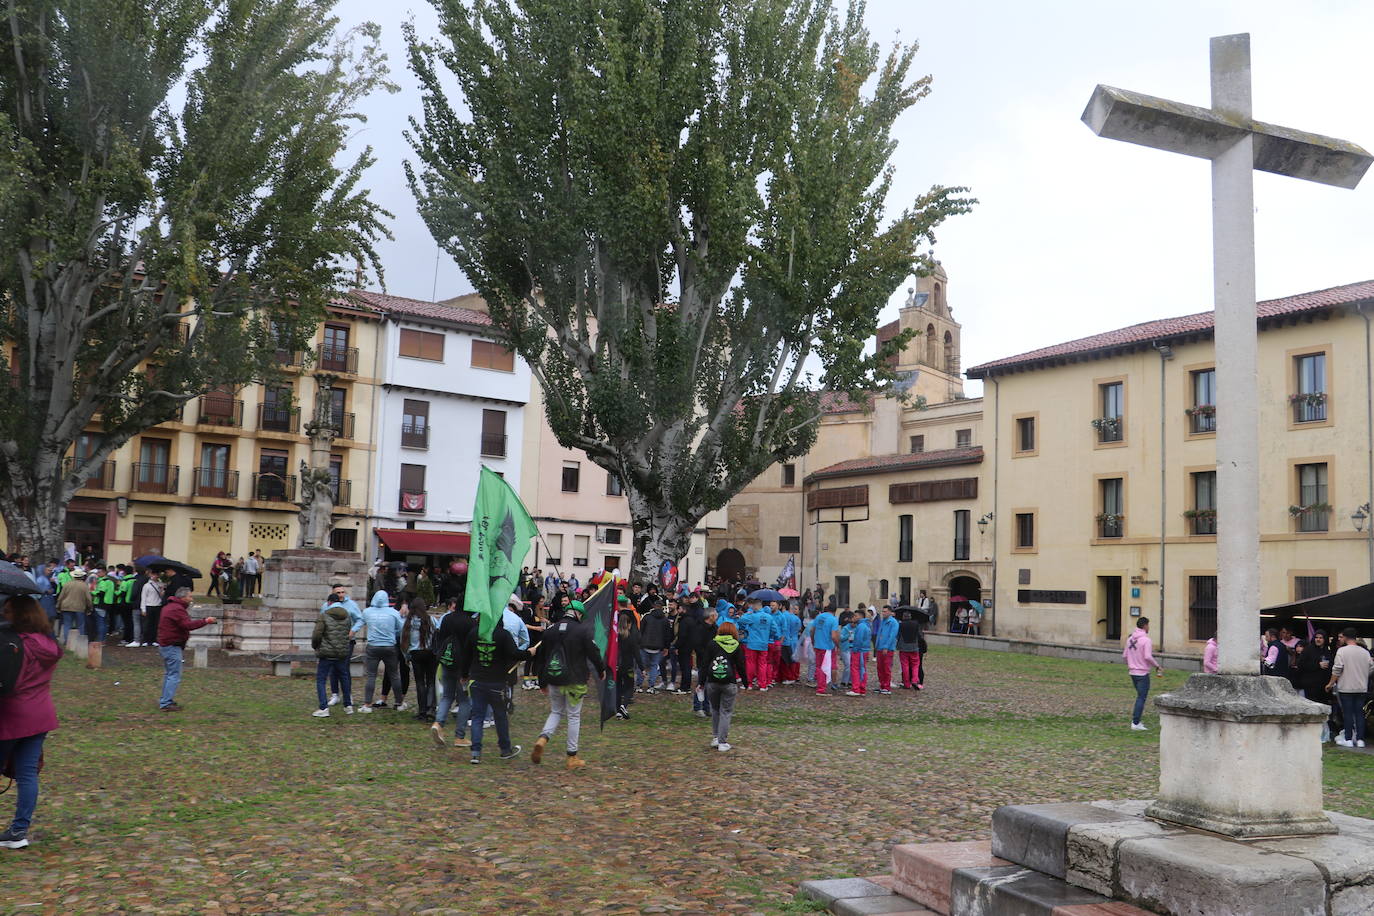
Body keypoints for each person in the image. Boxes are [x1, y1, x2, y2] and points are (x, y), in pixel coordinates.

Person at [0, 596, 61, 848]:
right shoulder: (48, 642)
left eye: (7, 610)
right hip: (40, 713)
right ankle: (18, 831)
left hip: (10, 714)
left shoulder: (12, 644)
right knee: (27, 775)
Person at [531, 599, 606, 769]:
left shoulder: (550, 631)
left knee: (556, 711)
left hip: (553, 678)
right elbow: (594, 653)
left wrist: (541, 681)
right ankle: (572, 756)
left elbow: (541, 658)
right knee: (573, 716)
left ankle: (542, 739)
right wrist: (601, 670)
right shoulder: (581, 631)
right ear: (578, 614)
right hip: (575, 680)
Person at [460, 619, 526, 764]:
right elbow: (515, 654)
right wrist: (529, 653)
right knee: (500, 716)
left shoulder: (474, 632)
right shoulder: (503, 634)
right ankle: (505, 749)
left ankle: (475, 753)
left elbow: (466, 656)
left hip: (477, 681)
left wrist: (464, 674)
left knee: (477, 717)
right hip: (497, 682)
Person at [155, 587, 216, 711]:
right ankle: (166, 703)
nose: (191, 599)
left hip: (166, 644)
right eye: (190, 596)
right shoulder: (177, 609)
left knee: (169, 674)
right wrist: (205, 621)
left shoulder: (169, 607)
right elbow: (187, 625)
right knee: (174, 675)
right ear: (183, 598)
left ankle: (165, 699)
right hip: (172, 645)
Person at [431, 600, 475, 748]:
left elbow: (441, 639)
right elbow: (470, 649)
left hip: (446, 662)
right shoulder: (471, 623)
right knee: (464, 701)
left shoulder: (447, 618)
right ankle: (459, 736)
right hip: (462, 666)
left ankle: (438, 723)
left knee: (447, 696)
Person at [702, 620, 748, 751]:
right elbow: (741, 666)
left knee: (715, 710)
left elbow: (704, 665)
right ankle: (722, 742)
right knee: (726, 711)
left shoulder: (712, 644)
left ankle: (716, 737)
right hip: (729, 682)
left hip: (712, 682)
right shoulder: (736, 645)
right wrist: (746, 683)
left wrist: (701, 682)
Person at [358, 590, 406, 713]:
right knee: (394, 675)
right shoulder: (394, 613)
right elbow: (402, 629)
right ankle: (399, 702)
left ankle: (367, 704)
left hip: (373, 646)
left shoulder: (367, 612)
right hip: (390, 647)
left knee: (371, 676)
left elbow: (359, 623)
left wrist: (351, 633)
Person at [1327, 628, 1372, 748]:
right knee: (1359, 714)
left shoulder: (1342, 651)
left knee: (1347, 713)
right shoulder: (1365, 652)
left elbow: (1337, 669)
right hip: (1361, 687)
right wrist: (1362, 676)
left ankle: (1348, 738)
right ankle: (1360, 739)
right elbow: (1371, 667)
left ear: (1346, 637)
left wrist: (1331, 683)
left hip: (1346, 687)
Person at [311, 596, 354, 716]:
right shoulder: (347, 616)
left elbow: (317, 634)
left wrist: (316, 647)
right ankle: (348, 705)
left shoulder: (324, 616)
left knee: (321, 679)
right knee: (344, 677)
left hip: (326, 652)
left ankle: (324, 707)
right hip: (342, 653)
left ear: (329, 602)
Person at [323, 583, 362, 707]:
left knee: (344, 668)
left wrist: (353, 630)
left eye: (342, 592)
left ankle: (347, 694)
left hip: (347, 640)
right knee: (333, 668)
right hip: (331, 641)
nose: (341, 595)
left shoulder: (352, 605)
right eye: (338, 592)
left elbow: (360, 619)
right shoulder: (326, 606)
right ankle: (335, 694)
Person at [1123, 616, 1163, 730]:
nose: (1149, 627)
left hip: (1132, 672)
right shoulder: (1146, 640)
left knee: (1140, 696)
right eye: (1148, 625)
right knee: (1141, 697)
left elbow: (1125, 656)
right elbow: (1147, 656)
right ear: (1145, 626)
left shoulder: (1130, 639)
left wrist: (1131, 664)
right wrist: (1157, 665)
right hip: (1142, 673)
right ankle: (1136, 722)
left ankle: (1136, 721)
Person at [403, 598, 438, 721]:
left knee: (419, 683)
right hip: (430, 653)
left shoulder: (409, 623)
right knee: (431, 681)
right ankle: (431, 708)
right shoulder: (431, 620)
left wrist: (407, 657)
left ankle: (422, 710)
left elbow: (405, 642)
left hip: (415, 653)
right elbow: (438, 634)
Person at [614, 605, 641, 719]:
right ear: (629, 625)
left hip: (616, 666)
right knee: (629, 686)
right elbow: (636, 653)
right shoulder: (631, 637)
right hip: (627, 666)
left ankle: (618, 710)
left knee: (618, 688)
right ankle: (623, 706)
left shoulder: (615, 637)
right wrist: (642, 668)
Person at [638, 598, 669, 692]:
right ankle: (651, 686)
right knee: (654, 666)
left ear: (654, 607)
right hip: (658, 646)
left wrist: (639, 643)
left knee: (641, 666)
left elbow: (641, 631)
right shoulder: (665, 620)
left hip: (645, 645)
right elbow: (667, 635)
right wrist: (666, 647)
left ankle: (638, 685)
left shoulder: (647, 617)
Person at [56, 566, 92, 645]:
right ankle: (80, 643)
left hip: (66, 607)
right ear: (82, 576)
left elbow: (61, 596)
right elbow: (88, 599)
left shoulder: (67, 584)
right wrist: (90, 608)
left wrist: (58, 606)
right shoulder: (84, 586)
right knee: (80, 626)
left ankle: (67, 642)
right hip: (79, 607)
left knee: (67, 625)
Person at [811, 604, 840, 696]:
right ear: (835, 611)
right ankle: (821, 689)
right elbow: (834, 636)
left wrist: (813, 641)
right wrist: (838, 645)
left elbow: (812, 630)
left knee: (819, 667)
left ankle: (820, 685)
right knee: (825, 668)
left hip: (818, 645)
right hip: (827, 647)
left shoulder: (819, 617)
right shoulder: (833, 619)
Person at [846, 609, 872, 696]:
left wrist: (855, 650)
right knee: (862, 669)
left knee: (856, 669)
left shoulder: (861, 626)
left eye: (855, 616)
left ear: (860, 616)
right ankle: (861, 689)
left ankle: (856, 689)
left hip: (859, 651)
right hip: (864, 650)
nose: (854, 618)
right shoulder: (865, 625)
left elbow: (858, 640)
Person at [874, 605, 899, 694]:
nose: (883, 613)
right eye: (883, 611)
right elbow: (879, 633)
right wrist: (877, 645)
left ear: (889, 612)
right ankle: (882, 685)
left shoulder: (893, 622)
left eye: (885, 611)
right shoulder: (882, 621)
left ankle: (887, 687)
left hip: (887, 649)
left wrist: (886, 646)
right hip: (880, 648)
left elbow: (892, 636)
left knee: (886, 668)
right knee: (880, 668)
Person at [140, 569, 167, 648]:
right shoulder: (147, 585)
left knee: (155, 624)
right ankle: (146, 640)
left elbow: (163, 595)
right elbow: (143, 597)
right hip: (149, 605)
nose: (155, 576)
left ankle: (154, 640)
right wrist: (143, 609)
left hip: (157, 605)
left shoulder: (160, 584)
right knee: (147, 624)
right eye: (154, 575)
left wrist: (162, 590)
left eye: (157, 575)